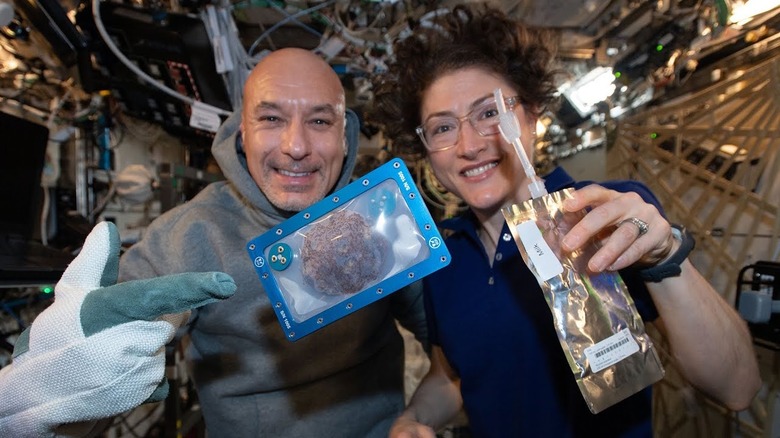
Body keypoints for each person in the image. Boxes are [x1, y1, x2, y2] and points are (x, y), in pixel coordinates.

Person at [369, 4, 761, 437]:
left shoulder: (606, 215)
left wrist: (666, 256)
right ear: (426, 149)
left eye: (489, 113)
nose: (468, 145)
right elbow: (451, 376)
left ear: (532, 115)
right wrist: (415, 418)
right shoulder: (445, 259)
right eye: (442, 128)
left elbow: (737, 387)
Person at [0, 47, 426, 437]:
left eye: (319, 121)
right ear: (242, 133)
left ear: (345, 136)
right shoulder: (190, 235)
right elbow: (100, 370)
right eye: (271, 119)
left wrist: (419, 418)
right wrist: (59, 384)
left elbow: (448, 343)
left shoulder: (383, 221)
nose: (296, 146)